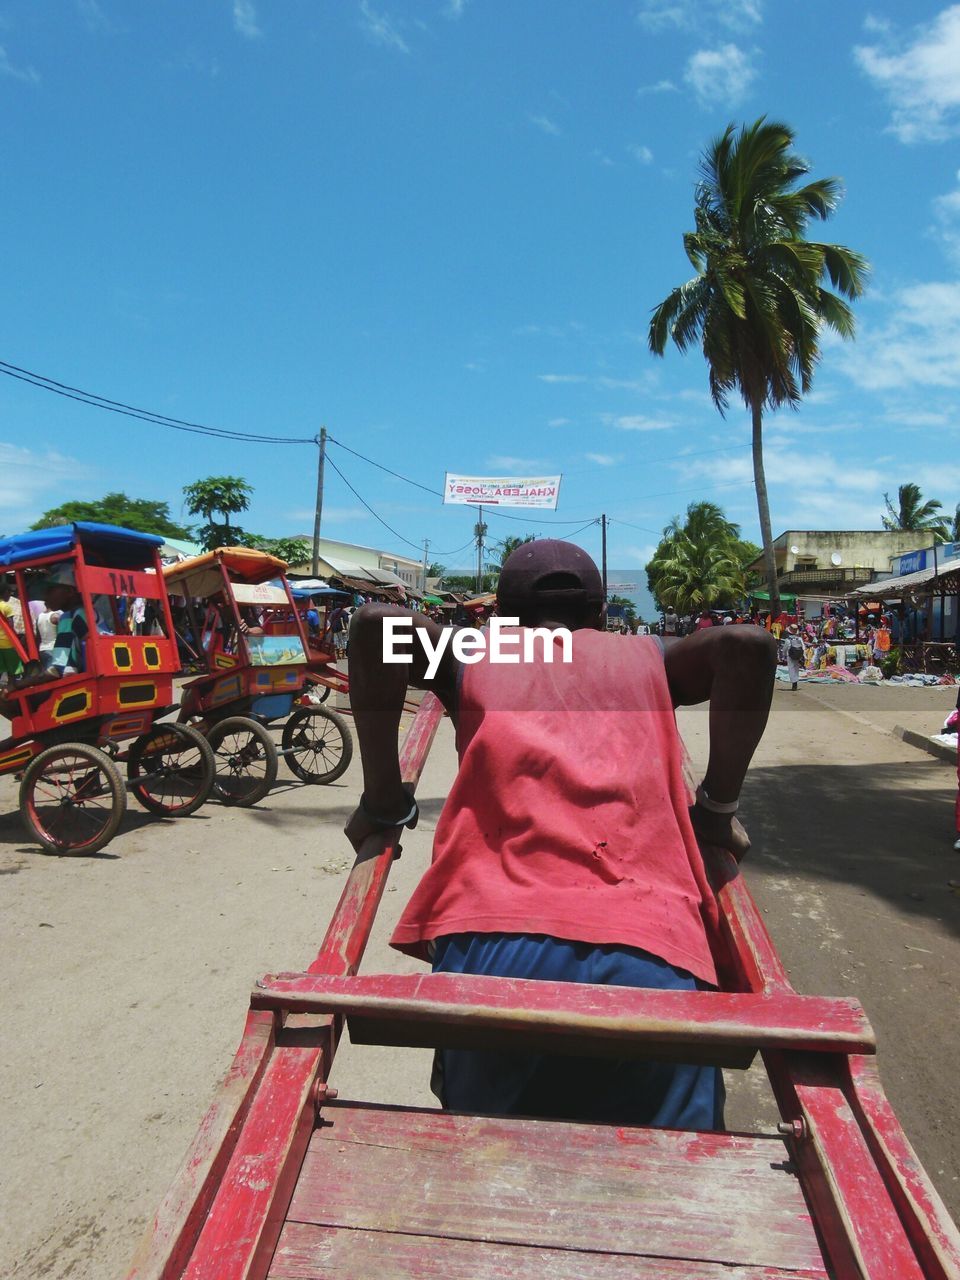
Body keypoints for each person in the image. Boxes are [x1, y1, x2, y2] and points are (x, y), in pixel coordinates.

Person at [345, 539, 776, 1131]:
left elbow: (373, 626)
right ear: (599, 618)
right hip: (649, 947)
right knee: (670, 1177)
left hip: (491, 943)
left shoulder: (474, 654)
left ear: (499, 616)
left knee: (493, 1166)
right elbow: (747, 647)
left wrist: (383, 803)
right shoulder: (647, 658)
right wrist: (716, 809)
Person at [0, 582, 23, 686]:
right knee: (14, 671)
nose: (10, 595)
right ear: (5, 592)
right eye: (10, 592)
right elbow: (11, 626)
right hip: (8, 643)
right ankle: (13, 691)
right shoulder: (6, 607)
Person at [784, 624, 805, 691]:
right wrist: (802, 655)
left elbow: (785, 648)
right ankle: (795, 681)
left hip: (790, 656)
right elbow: (803, 647)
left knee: (791, 669)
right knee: (796, 668)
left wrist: (784, 655)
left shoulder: (787, 640)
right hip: (798, 655)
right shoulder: (800, 639)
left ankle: (794, 683)